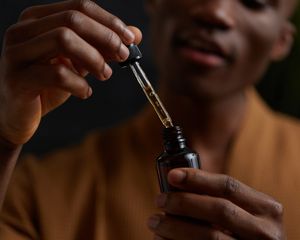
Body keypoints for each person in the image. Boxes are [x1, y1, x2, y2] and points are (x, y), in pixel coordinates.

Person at [0, 0, 299, 239]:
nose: (215, 11)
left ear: (281, 42)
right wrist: (4, 136)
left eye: (254, 2)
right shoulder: (39, 194)